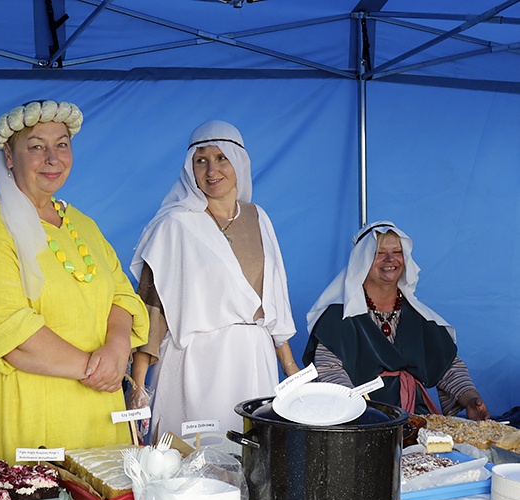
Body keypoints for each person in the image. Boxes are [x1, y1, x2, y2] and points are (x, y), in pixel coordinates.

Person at [0, 100, 149, 462]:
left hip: (100, 412)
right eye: (36, 146)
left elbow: (122, 294)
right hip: (32, 415)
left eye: (61, 144)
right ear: (9, 157)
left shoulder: (82, 223)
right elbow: (9, 331)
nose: (52, 158)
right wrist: (98, 368)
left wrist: (118, 347)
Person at [129, 120, 298, 441]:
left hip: (253, 359)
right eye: (201, 160)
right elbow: (153, 308)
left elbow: (274, 300)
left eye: (221, 158)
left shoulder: (259, 217)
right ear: (189, 167)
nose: (211, 170)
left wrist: (292, 372)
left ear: (239, 162)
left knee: (250, 462)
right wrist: (139, 389)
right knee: (191, 465)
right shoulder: (175, 223)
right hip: (195, 361)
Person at [303, 221, 489, 419]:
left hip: (416, 418)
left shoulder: (419, 316)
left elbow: (447, 366)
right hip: (364, 417)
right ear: (362, 261)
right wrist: (359, 414)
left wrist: (471, 399)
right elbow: (329, 370)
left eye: (397, 251)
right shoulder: (339, 317)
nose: (390, 259)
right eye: (380, 253)